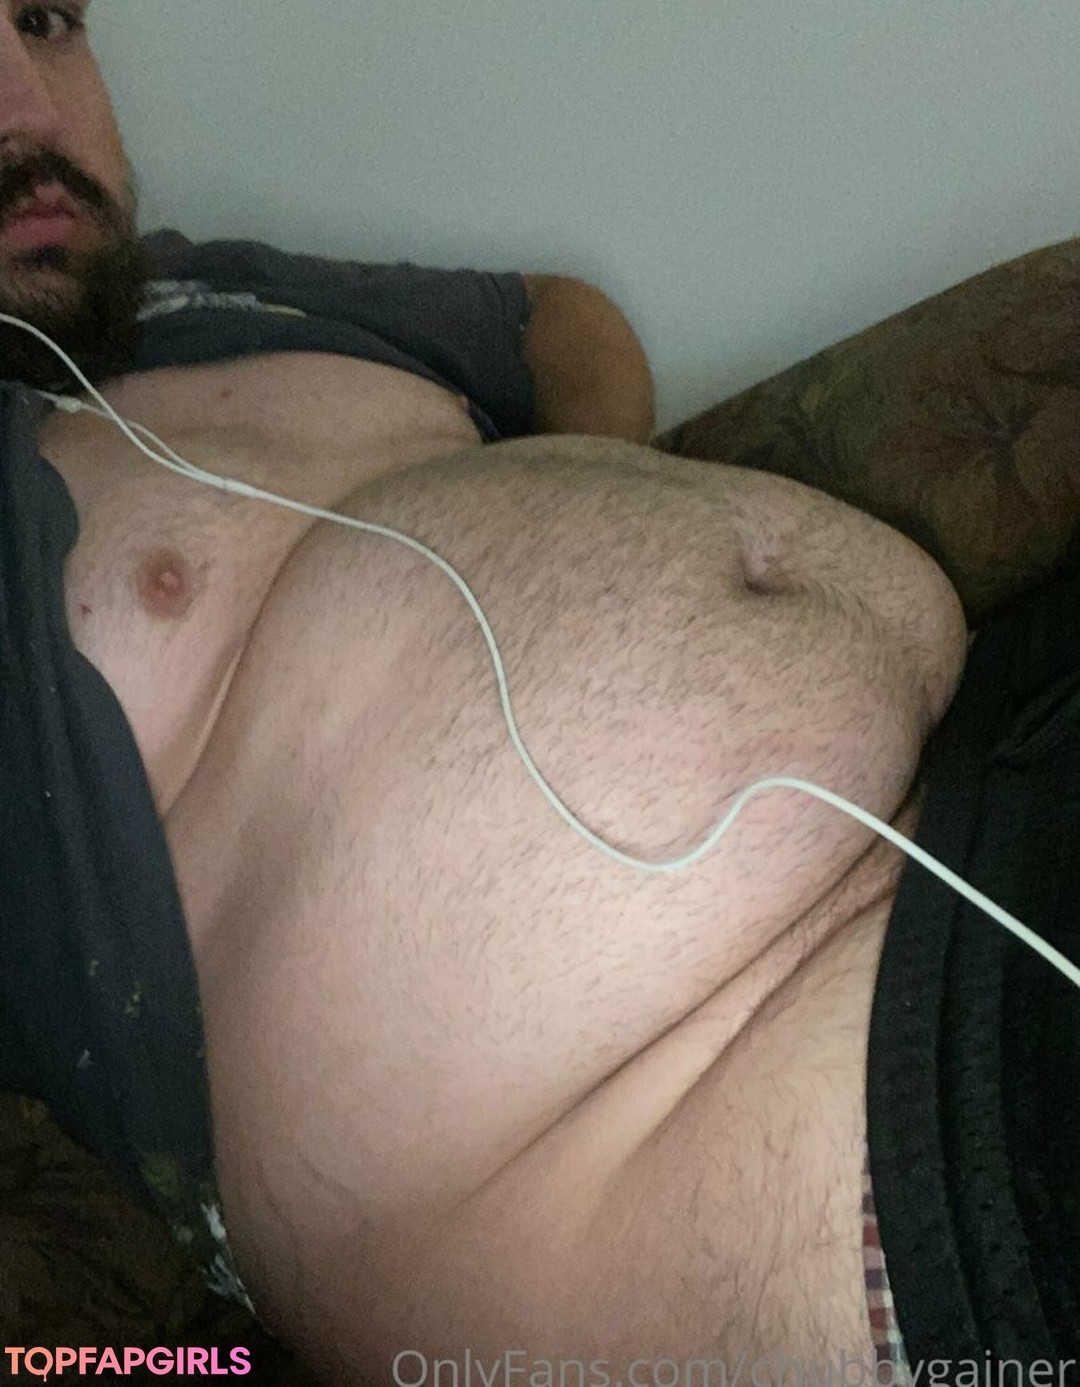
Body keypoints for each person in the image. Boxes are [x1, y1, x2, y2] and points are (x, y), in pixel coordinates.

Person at [1, 5, 1077, 1384]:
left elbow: (561, 319)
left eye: (47, 21)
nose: (29, 107)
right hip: (807, 1125)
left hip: (998, 752)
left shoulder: (221, 286)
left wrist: (584, 518)